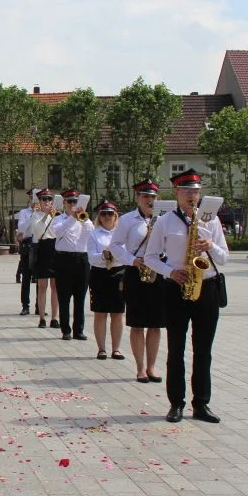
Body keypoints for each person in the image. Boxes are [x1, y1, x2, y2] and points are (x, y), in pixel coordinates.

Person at [145, 169, 228, 424]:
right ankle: (176, 403)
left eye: (196, 191)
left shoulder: (210, 221)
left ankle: (201, 403)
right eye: (188, 191)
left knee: (203, 350)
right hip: (177, 287)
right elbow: (150, 257)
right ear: (177, 193)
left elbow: (224, 257)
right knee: (176, 349)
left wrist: (209, 246)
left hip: (207, 287)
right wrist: (170, 272)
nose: (193, 195)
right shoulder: (165, 221)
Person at [110, 179, 164, 383]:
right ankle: (140, 368)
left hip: (158, 272)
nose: (149, 200)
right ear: (138, 197)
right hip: (136, 271)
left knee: (156, 324)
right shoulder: (127, 219)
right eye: (145, 196)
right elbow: (115, 246)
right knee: (138, 323)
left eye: (152, 196)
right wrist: (132, 260)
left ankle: (152, 366)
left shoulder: (164, 219)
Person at [51, 189, 94, 341]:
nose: (72, 205)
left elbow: (91, 234)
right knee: (64, 297)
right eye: (69, 202)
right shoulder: (58, 218)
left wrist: (83, 219)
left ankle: (79, 330)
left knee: (80, 297)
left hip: (81, 259)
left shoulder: (84, 219)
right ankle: (66, 330)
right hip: (63, 260)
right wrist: (73, 218)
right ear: (64, 203)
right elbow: (57, 232)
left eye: (75, 202)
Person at [87, 201, 125, 361]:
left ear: (116, 216)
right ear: (99, 217)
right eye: (103, 214)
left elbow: (126, 253)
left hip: (118, 272)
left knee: (117, 313)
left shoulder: (122, 233)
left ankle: (116, 349)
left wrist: (115, 254)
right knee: (100, 312)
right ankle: (101, 348)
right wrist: (104, 255)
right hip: (100, 273)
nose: (107, 217)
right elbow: (91, 257)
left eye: (110, 214)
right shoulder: (93, 233)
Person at [28, 189, 60, 329]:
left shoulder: (57, 215)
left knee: (55, 286)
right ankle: (41, 317)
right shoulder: (36, 215)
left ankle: (54, 318)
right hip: (43, 248)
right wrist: (46, 215)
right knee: (42, 286)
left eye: (49, 199)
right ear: (39, 202)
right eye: (44, 199)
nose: (47, 202)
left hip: (55, 249)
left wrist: (55, 215)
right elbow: (37, 231)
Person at [15, 188, 37, 314]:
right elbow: (22, 229)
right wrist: (34, 214)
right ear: (29, 199)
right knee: (26, 277)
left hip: (40, 244)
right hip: (28, 244)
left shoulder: (44, 213)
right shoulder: (24, 212)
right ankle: (25, 305)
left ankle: (40, 306)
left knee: (41, 278)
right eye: (32, 198)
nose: (34, 201)